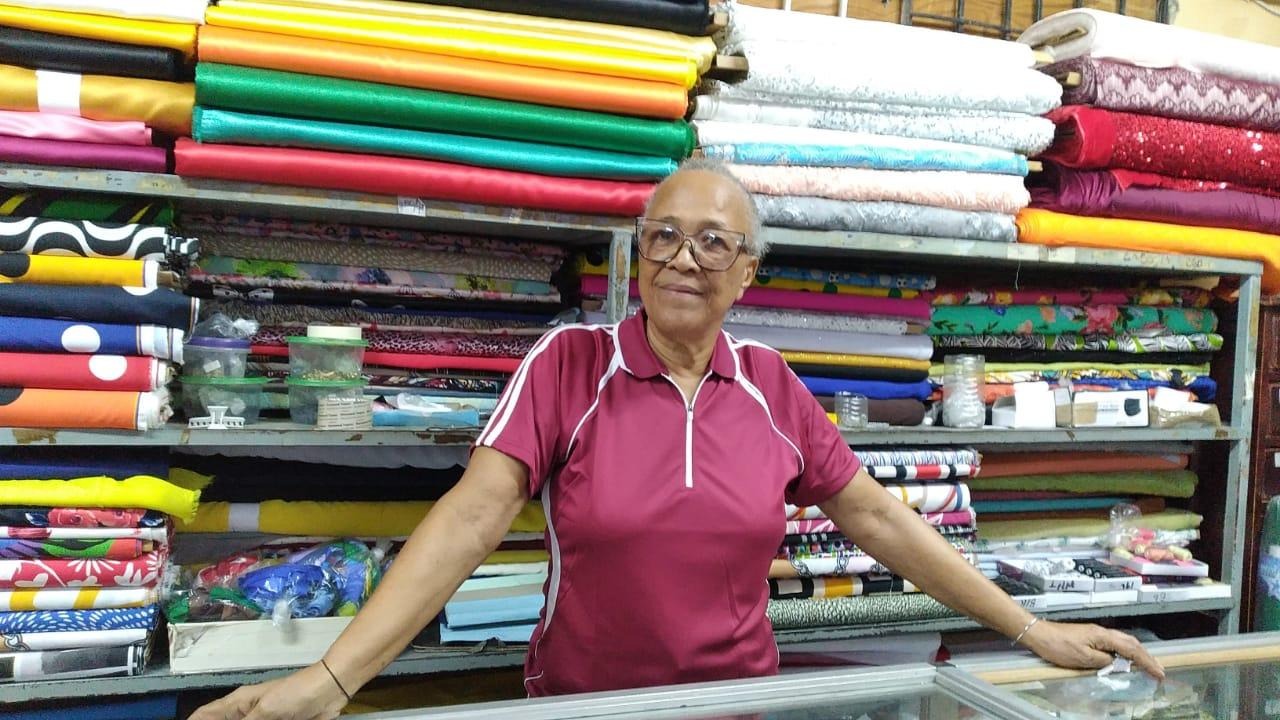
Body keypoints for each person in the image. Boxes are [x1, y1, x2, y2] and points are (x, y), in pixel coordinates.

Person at [192, 159, 1163, 720]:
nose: (682, 258)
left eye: (712, 242)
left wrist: (1030, 630)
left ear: (746, 273)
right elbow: (469, 519)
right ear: (639, 254)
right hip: (585, 709)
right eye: (662, 236)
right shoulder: (570, 364)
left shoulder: (773, 387)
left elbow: (878, 521)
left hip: (737, 708)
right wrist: (333, 679)